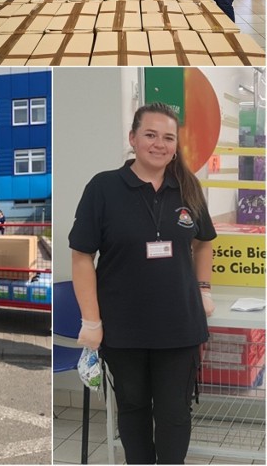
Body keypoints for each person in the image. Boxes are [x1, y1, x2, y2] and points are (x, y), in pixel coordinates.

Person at [69, 102, 216, 465]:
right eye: (150, 135)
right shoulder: (103, 188)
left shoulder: (188, 187)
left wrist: (204, 287)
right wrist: (91, 320)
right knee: (133, 408)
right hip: (123, 328)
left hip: (179, 325)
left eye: (168, 137)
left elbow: (205, 241)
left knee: (174, 412)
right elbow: (81, 256)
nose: (159, 144)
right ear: (133, 138)